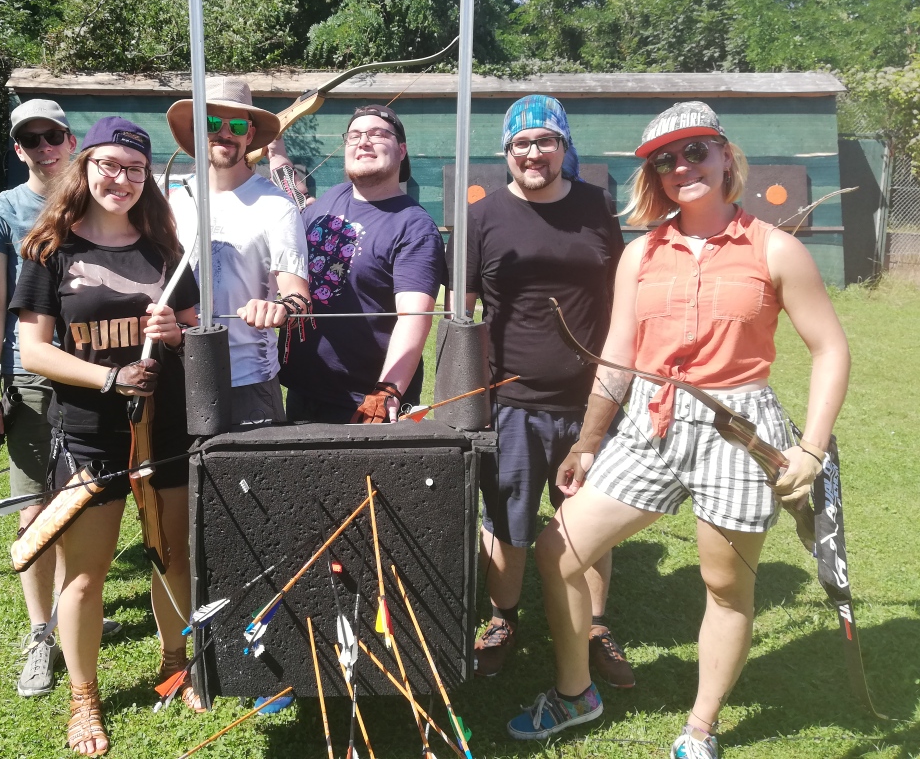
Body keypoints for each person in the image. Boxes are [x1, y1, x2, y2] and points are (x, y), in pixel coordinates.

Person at [511, 102, 850, 759]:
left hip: (739, 430)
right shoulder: (641, 254)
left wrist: (810, 447)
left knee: (725, 586)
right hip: (651, 423)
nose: (680, 167)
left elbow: (830, 348)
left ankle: (700, 729)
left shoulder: (776, 249)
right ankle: (577, 693)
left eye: (695, 150)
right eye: (664, 160)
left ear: (726, 155)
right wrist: (586, 443)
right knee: (559, 550)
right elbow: (617, 358)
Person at [11, 117, 199, 756]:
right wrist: (110, 378)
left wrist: (176, 330)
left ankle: (176, 660)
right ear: (84, 166)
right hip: (89, 435)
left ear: (148, 180)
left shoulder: (165, 251)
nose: (121, 179)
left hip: (166, 428)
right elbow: (34, 351)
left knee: (171, 552)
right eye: (109, 166)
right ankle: (84, 698)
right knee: (85, 576)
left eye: (135, 170)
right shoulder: (50, 249)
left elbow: (197, 333)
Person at [450, 95, 634, 687]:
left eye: (545, 141)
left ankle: (596, 626)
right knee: (508, 518)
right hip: (511, 401)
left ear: (563, 147)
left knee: (589, 520)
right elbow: (464, 310)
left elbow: (622, 300)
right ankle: (505, 618)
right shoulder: (483, 216)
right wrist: (463, 395)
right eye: (521, 144)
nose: (534, 153)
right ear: (507, 152)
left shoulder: (595, 207)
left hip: (592, 401)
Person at [0, 99, 119, 698]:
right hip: (32, 377)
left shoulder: (99, 192)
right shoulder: (3, 210)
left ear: (69, 136)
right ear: (18, 149)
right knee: (34, 504)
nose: (45, 148)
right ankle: (41, 632)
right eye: (31, 140)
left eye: (52, 136)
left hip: (99, 367)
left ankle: (75, 601)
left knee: (84, 495)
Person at [280, 105, 446, 423]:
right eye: (354, 135)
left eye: (378, 134)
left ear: (401, 150)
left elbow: (415, 316)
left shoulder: (414, 226)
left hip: (366, 404)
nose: (363, 141)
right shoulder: (329, 200)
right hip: (304, 393)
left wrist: (388, 390)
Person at [166, 78, 311, 428]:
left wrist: (277, 308)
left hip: (248, 382)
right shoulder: (167, 198)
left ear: (250, 135)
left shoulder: (276, 206)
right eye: (212, 123)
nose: (224, 133)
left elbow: (300, 300)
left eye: (237, 125)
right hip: (173, 375)